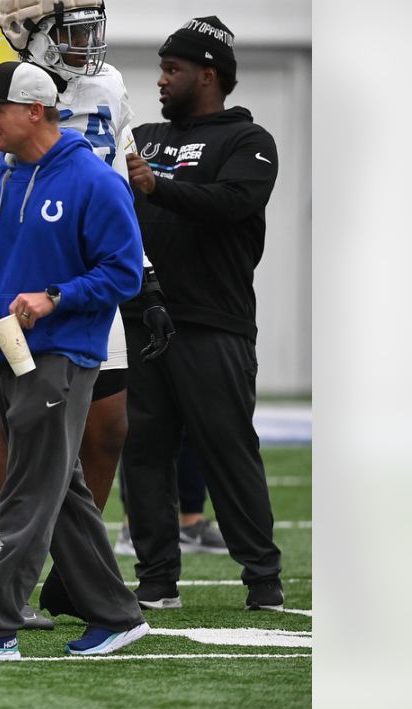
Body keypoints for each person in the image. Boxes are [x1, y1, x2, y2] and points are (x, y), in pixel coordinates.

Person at [0, 0, 174, 629]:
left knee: (73, 450)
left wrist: (109, 290)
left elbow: (120, 240)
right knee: (41, 459)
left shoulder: (97, 153)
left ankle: (7, 612)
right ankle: (94, 603)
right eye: (71, 27)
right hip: (14, 320)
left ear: (34, 112)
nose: (87, 41)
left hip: (74, 317)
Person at [119, 16, 283, 611]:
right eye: (161, 68)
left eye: (173, 69)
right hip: (141, 321)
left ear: (208, 75)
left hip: (213, 319)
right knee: (142, 453)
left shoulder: (249, 141)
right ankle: (157, 580)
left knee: (227, 447)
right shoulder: (141, 134)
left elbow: (234, 204)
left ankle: (262, 578)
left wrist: (157, 186)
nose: (160, 80)